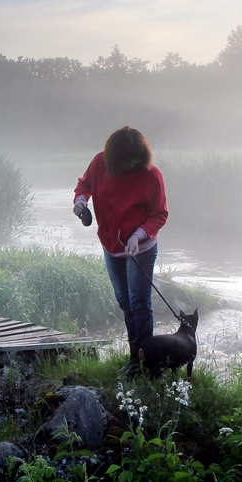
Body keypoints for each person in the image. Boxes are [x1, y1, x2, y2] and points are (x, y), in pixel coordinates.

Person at [74, 126, 168, 376]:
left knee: (139, 303)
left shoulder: (152, 175)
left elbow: (159, 215)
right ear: (114, 158)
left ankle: (146, 363)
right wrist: (80, 201)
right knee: (125, 302)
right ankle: (134, 356)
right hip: (111, 245)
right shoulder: (99, 163)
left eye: (137, 159)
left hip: (141, 247)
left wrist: (138, 235)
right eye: (128, 160)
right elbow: (84, 185)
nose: (133, 164)